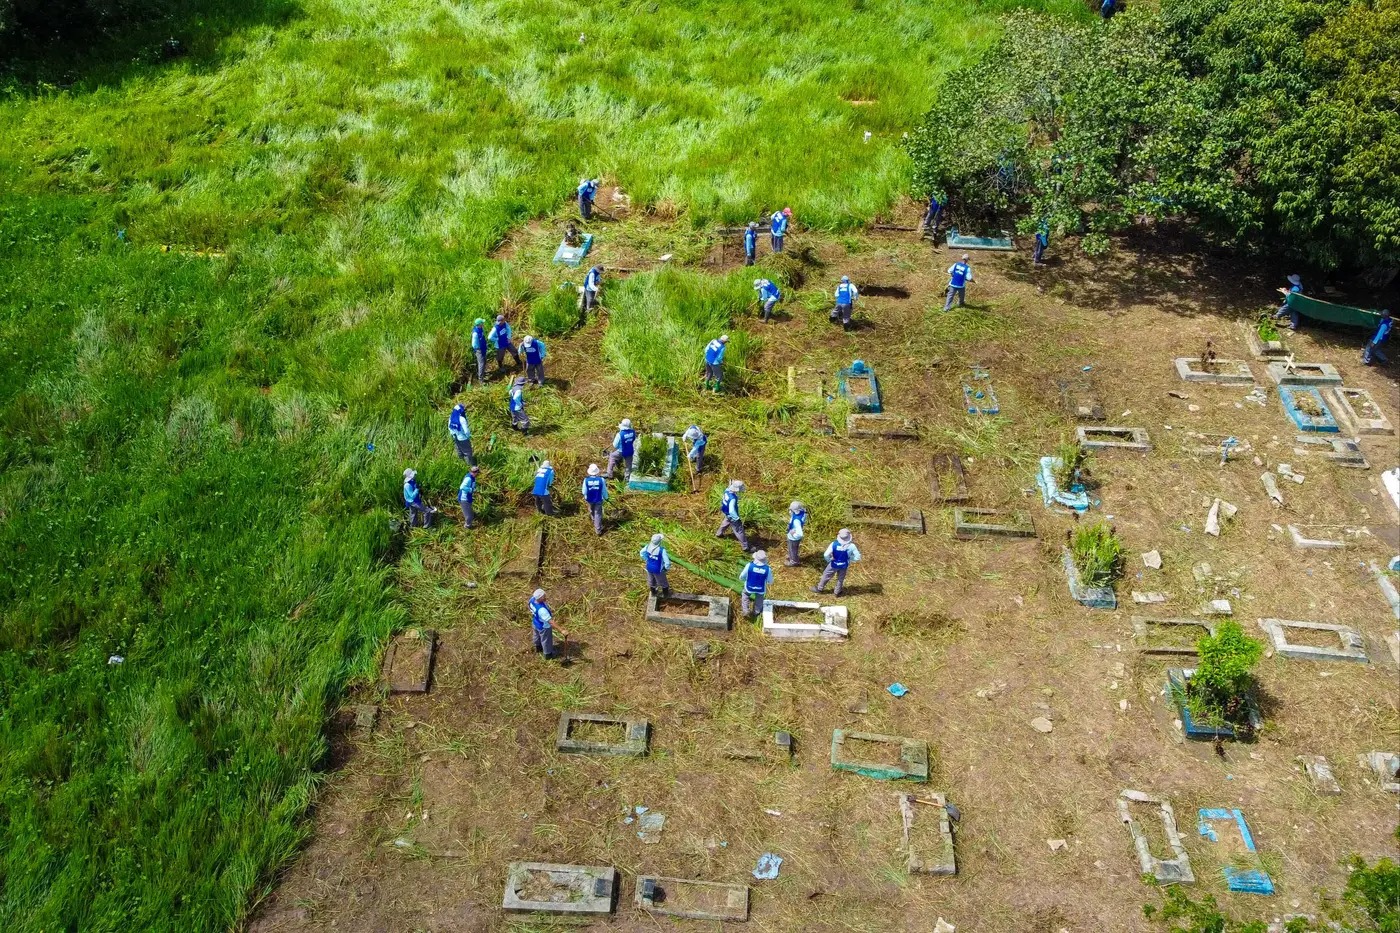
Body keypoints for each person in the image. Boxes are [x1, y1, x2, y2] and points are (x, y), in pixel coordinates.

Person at [813, 528, 861, 597]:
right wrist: (850, 559)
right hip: (844, 565)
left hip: (833, 564)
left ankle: (819, 588)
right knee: (840, 578)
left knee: (826, 575)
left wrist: (829, 560)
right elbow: (857, 557)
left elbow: (826, 554)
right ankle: (837, 592)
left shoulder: (833, 544)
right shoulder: (852, 546)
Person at [528, 589, 569, 660]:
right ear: (540, 598)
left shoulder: (532, 600)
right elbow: (551, 622)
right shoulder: (542, 610)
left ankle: (538, 648)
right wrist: (562, 630)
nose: (545, 597)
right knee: (546, 640)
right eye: (544, 596)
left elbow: (528, 606)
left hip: (535, 622)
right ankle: (548, 655)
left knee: (536, 636)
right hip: (544, 626)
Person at [715, 479, 751, 551]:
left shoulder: (727, 490)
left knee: (725, 523)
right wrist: (736, 518)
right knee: (739, 531)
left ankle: (719, 534)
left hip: (726, 512)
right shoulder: (733, 499)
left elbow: (730, 487)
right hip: (732, 516)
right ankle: (745, 547)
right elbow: (732, 510)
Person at [739, 550, 773, 618]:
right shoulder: (767, 569)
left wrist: (742, 578)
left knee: (745, 595)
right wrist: (768, 582)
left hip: (749, 586)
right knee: (759, 599)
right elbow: (770, 581)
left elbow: (742, 575)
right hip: (760, 588)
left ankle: (745, 610)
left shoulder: (749, 565)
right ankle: (756, 612)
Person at [581, 463, 608, 535]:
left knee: (591, 510)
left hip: (589, 499)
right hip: (598, 499)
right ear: (597, 472)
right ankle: (598, 530)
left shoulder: (586, 480)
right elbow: (604, 490)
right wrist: (606, 497)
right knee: (598, 513)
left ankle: (594, 521)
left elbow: (584, 491)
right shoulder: (601, 480)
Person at [785, 501, 807, 566]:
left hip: (793, 538)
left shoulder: (796, 521)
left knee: (793, 549)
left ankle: (793, 561)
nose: (789, 511)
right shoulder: (802, 513)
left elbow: (800, 534)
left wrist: (792, 534)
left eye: (791, 510)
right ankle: (791, 555)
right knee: (792, 549)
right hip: (794, 537)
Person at [470, 317, 488, 384]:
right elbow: (474, 344)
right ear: (479, 324)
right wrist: (478, 349)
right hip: (479, 350)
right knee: (481, 364)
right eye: (482, 323)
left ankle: (483, 373)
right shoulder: (475, 333)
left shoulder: (481, 329)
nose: (483, 324)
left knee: (484, 361)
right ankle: (480, 379)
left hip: (483, 348)